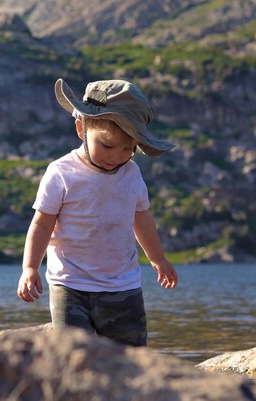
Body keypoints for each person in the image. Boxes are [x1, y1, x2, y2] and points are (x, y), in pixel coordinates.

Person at [16, 78, 178, 347]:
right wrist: (30, 267)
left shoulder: (132, 174)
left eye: (129, 149)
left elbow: (142, 218)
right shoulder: (61, 172)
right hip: (69, 284)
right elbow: (42, 224)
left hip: (123, 286)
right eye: (107, 146)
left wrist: (158, 258)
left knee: (130, 359)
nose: (116, 157)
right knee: (75, 356)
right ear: (82, 128)